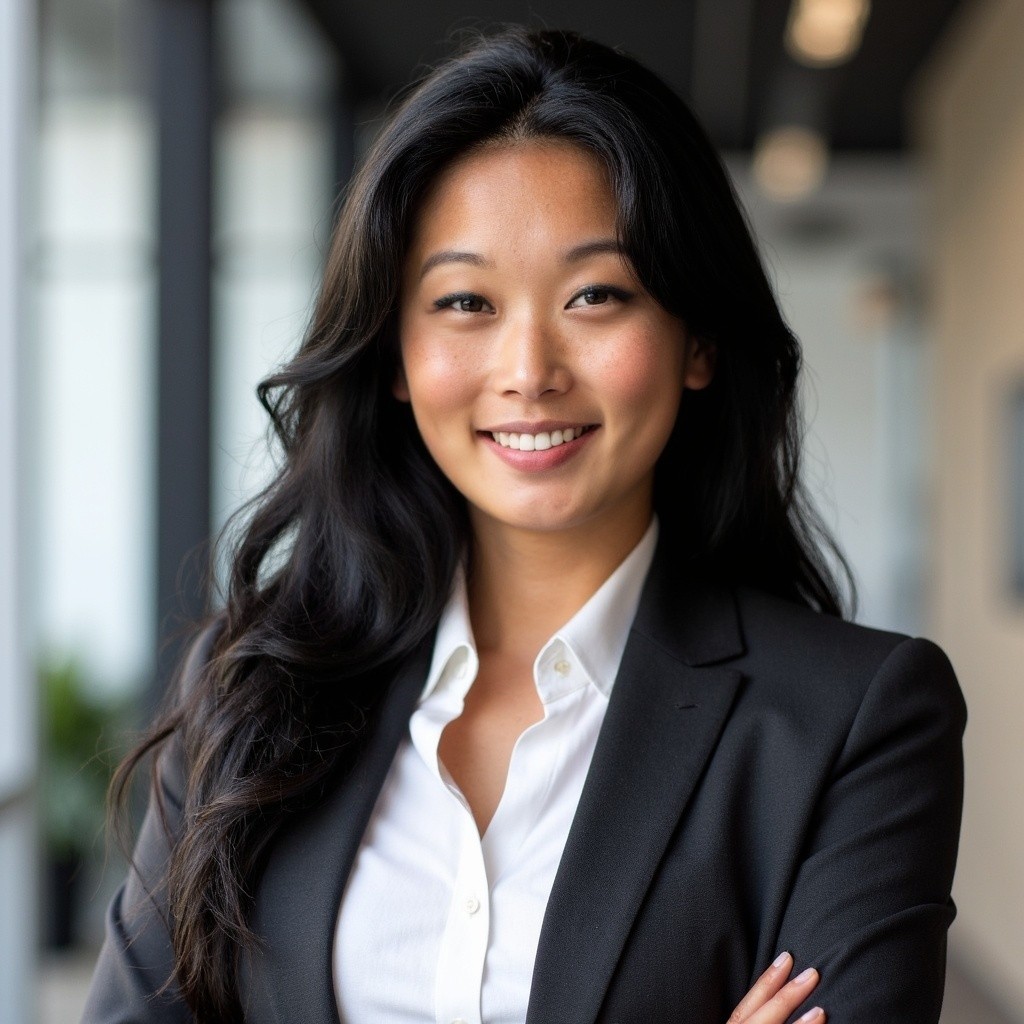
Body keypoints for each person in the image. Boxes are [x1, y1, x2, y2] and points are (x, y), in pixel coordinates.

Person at [82, 27, 966, 1024]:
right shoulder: (252, 688)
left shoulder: (852, 721)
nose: (529, 368)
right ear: (394, 359)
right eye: (465, 301)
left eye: (596, 295)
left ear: (698, 341)